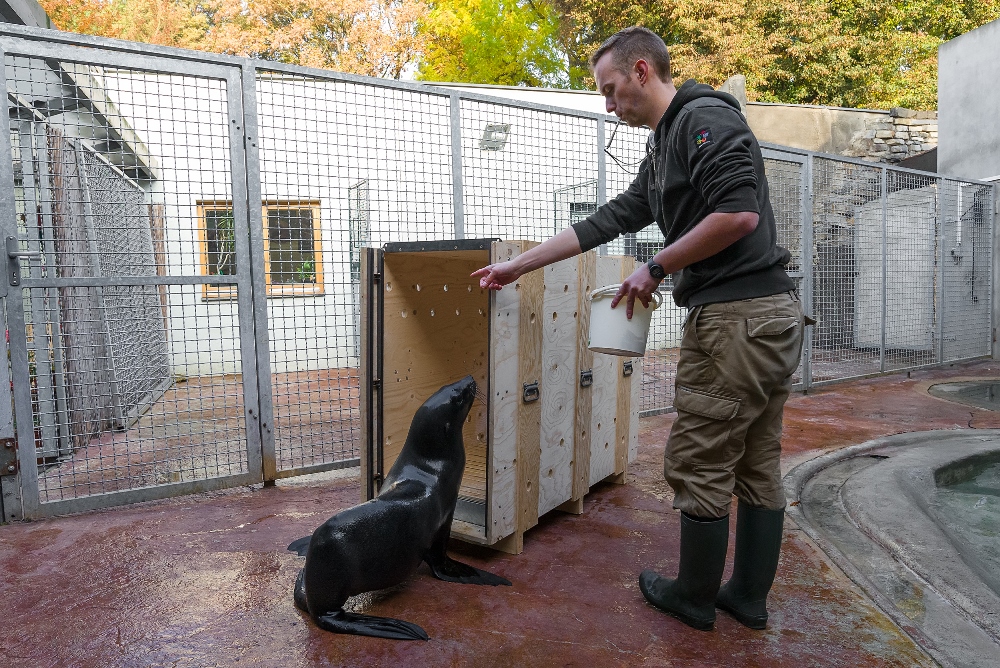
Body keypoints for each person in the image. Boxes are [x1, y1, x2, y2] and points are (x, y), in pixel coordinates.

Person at [471, 26, 806, 632]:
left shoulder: (704, 121)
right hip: (765, 318)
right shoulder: (665, 147)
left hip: (737, 321)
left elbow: (738, 213)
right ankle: (747, 597)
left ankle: (693, 597)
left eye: (610, 88)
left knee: (701, 458)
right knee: (756, 460)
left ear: (643, 71)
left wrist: (655, 266)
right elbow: (609, 220)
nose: (608, 104)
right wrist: (516, 266)